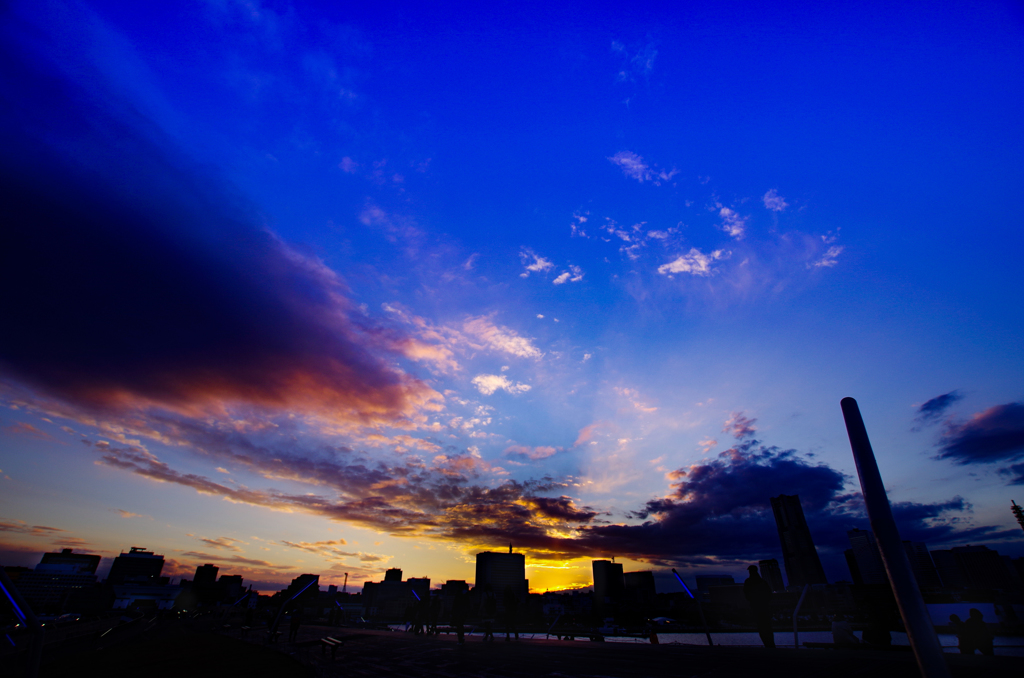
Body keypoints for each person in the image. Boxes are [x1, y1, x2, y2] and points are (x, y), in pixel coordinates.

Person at [742, 565, 775, 649]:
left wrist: (754, 601)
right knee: (767, 627)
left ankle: (768, 645)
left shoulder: (749, 582)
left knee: (761, 627)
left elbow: (747, 595)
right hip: (764, 607)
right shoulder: (763, 582)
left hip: (757, 608)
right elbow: (769, 595)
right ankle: (771, 645)